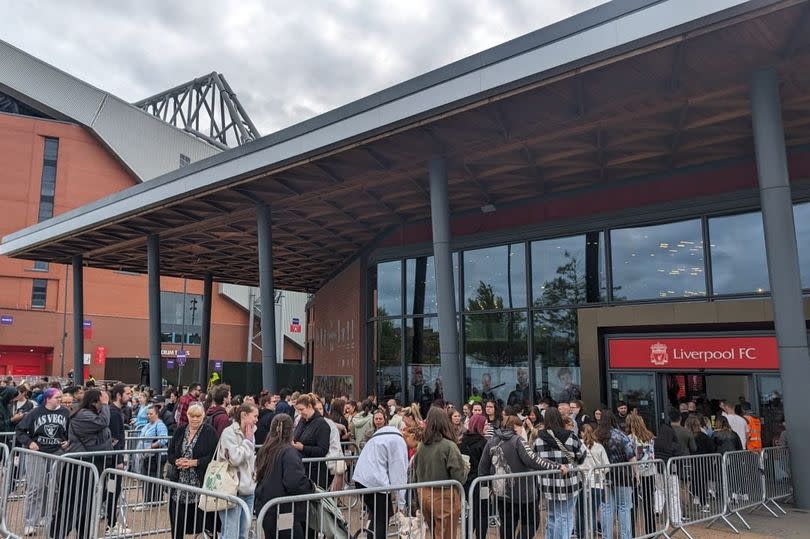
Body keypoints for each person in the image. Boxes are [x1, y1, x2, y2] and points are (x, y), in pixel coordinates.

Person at [480, 413, 564, 539]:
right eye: (520, 426)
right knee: (531, 523)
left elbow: (483, 465)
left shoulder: (492, 440)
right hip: (523, 494)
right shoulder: (518, 441)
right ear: (514, 427)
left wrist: (485, 486)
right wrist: (556, 466)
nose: (521, 429)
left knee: (507, 526)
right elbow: (533, 460)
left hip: (501, 493)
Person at [53, 388, 112, 539]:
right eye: (102, 400)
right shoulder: (83, 415)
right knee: (72, 504)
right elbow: (103, 422)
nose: (105, 403)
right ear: (95, 400)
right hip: (80, 466)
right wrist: (105, 405)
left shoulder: (90, 414)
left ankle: (84, 534)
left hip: (90, 464)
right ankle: (57, 534)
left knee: (87, 504)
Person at [16, 387, 69, 536]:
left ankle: (48, 516)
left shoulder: (65, 412)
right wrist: (28, 442)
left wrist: (68, 441)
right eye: (57, 397)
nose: (60, 399)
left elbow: (70, 431)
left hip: (57, 452)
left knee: (55, 487)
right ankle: (30, 522)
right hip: (38, 452)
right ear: (48, 398)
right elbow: (20, 430)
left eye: (60, 397)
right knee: (36, 487)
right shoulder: (35, 413)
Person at [255, 414, 315, 539]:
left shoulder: (265, 449)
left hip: (266, 506)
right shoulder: (288, 452)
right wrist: (310, 487)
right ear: (290, 431)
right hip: (284, 509)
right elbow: (294, 481)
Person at [413, 406, 468, 539]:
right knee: (446, 535)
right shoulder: (449, 446)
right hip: (444, 496)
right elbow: (459, 476)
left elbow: (415, 473)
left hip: (424, 494)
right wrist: (466, 467)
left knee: (435, 533)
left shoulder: (421, 446)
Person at [166, 403, 218, 539]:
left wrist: (194, 462)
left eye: (198, 416)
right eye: (192, 416)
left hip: (200, 485)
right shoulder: (180, 430)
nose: (195, 419)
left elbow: (214, 455)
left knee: (205, 522)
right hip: (180, 484)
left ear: (203, 416)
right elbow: (170, 452)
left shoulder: (209, 432)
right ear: (187, 415)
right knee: (178, 521)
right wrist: (176, 461)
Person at [534, 407, 586, 539]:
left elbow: (534, 459)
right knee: (565, 516)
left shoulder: (539, 439)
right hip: (568, 481)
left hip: (547, 483)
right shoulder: (570, 436)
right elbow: (582, 456)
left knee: (552, 515)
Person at [353, 419, 409, 539]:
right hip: (375, 482)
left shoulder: (384, 434)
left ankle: (370, 535)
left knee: (378, 515)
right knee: (381, 519)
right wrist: (401, 503)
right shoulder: (398, 441)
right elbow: (399, 473)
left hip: (361, 477)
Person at [216, 403, 258, 539]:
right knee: (230, 533)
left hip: (248, 489)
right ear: (244, 415)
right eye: (255, 416)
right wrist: (247, 442)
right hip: (232, 489)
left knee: (244, 533)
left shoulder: (251, 432)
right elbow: (234, 458)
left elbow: (250, 459)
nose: (257, 419)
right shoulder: (228, 433)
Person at [595, 410, 636, 539]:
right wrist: (636, 473)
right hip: (622, 474)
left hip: (603, 475)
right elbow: (631, 455)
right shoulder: (621, 435)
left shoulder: (596, 436)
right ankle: (625, 536)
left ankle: (607, 536)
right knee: (624, 507)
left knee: (607, 507)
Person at [627, 414, 658, 537]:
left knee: (632, 504)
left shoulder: (630, 438)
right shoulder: (649, 436)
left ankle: (632, 533)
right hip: (650, 472)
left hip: (635, 473)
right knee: (649, 503)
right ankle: (651, 532)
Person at [293, 394, 331, 489]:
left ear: (309, 406)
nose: (300, 412)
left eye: (301, 409)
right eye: (298, 410)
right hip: (302, 469)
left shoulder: (322, 424)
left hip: (315, 472)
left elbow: (323, 450)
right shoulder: (302, 421)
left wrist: (303, 448)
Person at [459, 414, 487, 539]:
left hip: (466, 483)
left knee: (467, 513)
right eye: (485, 424)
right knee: (482, 514)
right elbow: (487, 464)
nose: (486, 427)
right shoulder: (484, 442)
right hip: (481, 483)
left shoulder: (462, 441)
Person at [580, 423, 609, 538]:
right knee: (593, 512)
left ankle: (582, 535)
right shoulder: (599, 446)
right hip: (597, 482)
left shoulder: (579, 446)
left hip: (582, 482)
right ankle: (591, 535)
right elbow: (606, 466)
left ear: (581, 433)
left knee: (581, 512)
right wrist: (600, 473)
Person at [140, 404, 169, 506]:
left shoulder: (160, 425)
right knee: (150, 477)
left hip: (156, 456)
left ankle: (154, 500)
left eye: (151, 414)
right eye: (147, 414)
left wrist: (151, 446)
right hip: (148, 456)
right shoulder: (148, 425)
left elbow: (164, 439)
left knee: (154, 477)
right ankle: (151, 500)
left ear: (157, 414)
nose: (149, 415)